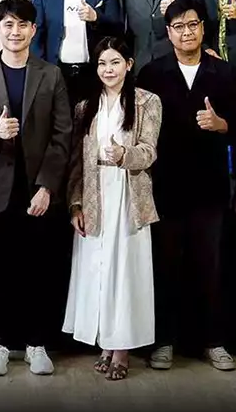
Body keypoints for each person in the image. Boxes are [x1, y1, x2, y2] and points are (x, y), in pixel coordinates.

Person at [135, 0, 236, 372]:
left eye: (192, 25)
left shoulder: (225, 73)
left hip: (210, 187)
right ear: (168, 33)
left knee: (211, 267)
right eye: (178, 26)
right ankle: (164, 341)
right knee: (166, 266)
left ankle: (214, 341)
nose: (186, 32)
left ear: (203, 28)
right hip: (165, 187)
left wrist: (222, 125)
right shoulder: (152, 74)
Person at [0, 0, 72, 377]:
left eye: (23, 24)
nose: (15, 31)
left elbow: (62, 135)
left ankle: (37, 344)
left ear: (33, 30)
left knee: (38, 270)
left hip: (36, 190)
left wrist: (47, 187)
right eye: (8, 24)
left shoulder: (50, 75)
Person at [63, 37, 162, 381]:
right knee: (97, 271)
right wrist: (75, 203)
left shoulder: (147, 101)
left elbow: (149, 151)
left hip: (128, 194)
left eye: (115, 62)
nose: (108, 69)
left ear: (129, 64)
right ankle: (105, 342)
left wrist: (124, 155)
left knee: (125, 272)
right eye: (102, 63)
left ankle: (122, 349)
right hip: (94, 194)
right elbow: (77, 161)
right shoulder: (85, 107)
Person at [32, 0, 122, 104]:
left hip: (93, 73)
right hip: (55, 73)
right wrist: (41, 70)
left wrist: (96, 17)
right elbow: (36, 35)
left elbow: (117, 30)